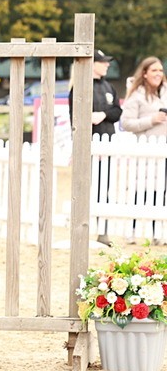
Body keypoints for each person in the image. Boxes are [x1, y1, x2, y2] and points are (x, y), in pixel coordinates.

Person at [69, 49, 123, 245]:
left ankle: (103, 231)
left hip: (106, 143)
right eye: (103, 62)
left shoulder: (109, 87)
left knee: (104, 189)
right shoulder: (80, 88)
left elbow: (117, 111)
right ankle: (80, 229)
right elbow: (74, 118)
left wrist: (103, 115)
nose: (107, 65)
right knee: (84, 188)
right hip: (88, 145)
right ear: (93, 64)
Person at [119, 57, 167, 243]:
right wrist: (151, 120)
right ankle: (130, 231)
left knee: (161, 192)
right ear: (145, 73)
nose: (158, 74)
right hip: (145, 152)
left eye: (160, 70)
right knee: (141, 192)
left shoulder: (164, 93)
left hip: (163, 150)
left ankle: (157, 233)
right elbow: (126, 123)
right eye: (154, 70)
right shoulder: (136, 96)